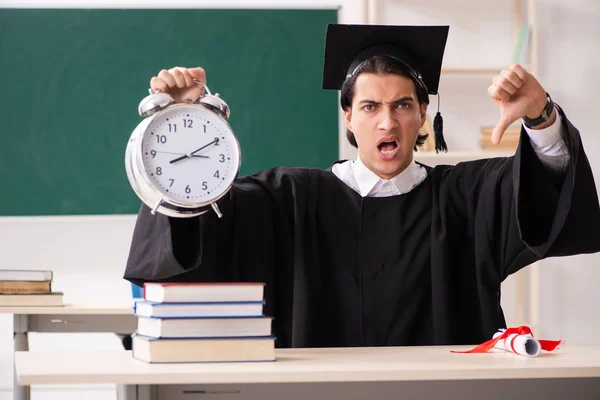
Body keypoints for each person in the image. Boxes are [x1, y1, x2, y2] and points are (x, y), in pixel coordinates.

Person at [124, 24, 600, 348]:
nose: (387, 121)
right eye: (370, 107)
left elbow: (548, 185)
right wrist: (187, 120)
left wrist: (541, 119)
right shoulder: (289, 200)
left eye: (403, 105)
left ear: (421, 117)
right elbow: (199, 218)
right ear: (348, 117)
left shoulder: (465, 199)